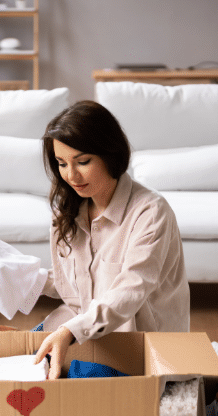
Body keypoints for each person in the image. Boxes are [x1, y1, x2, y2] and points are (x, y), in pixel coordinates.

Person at [33, 100, 189, 379]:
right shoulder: (69, 210)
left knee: (72, 384)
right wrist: (17, 277)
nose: (71, 175)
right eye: (61, 163)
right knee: (22, 359)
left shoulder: (151, 212)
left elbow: (130, 292)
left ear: (110, 154)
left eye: (82, 162)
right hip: (85, 326)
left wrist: (70, 332)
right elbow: (74, 287)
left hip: (137, 342)